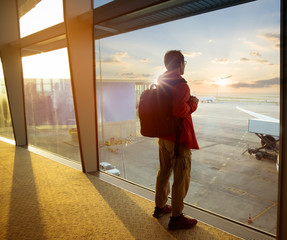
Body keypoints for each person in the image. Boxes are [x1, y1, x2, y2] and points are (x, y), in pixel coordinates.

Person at [152, 50, 199, 230]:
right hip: (178, 139)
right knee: (181, 177)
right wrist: (193, 103)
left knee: (163, 172)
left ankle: (160, 207)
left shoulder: (161, 81)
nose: (184, 65)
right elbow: (180, 111)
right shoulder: (181, 84)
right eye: (184, 62)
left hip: (163, 136)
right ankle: (177, 217)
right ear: (180, 63)